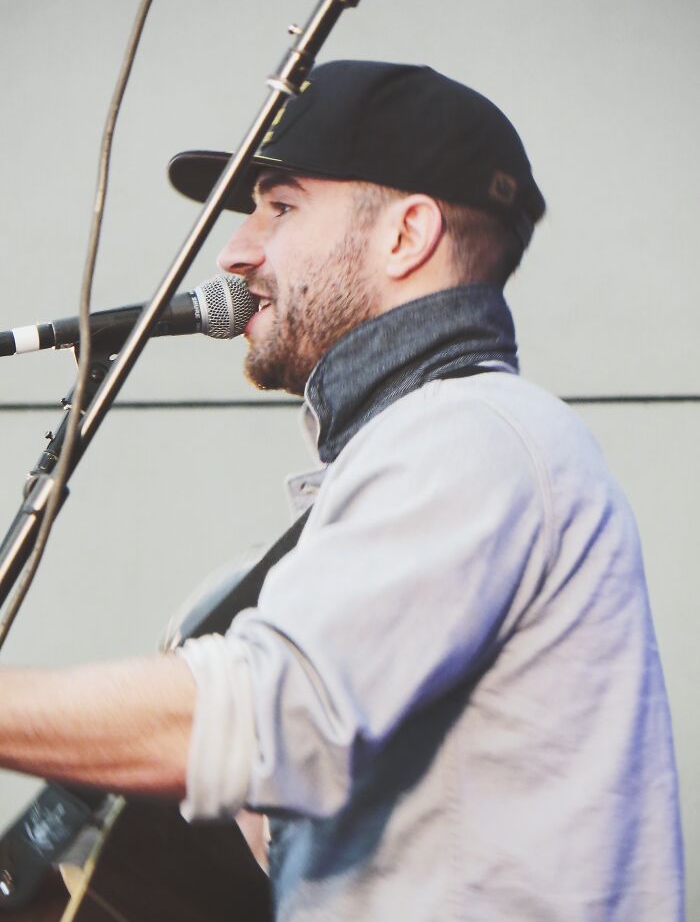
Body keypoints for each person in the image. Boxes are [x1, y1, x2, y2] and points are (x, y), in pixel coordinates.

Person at [0, 61, 685, 920]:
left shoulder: (473, 434)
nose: (235, 249)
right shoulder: (425, 459)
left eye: (280, 206)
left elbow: (267, 715)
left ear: (406, 236)